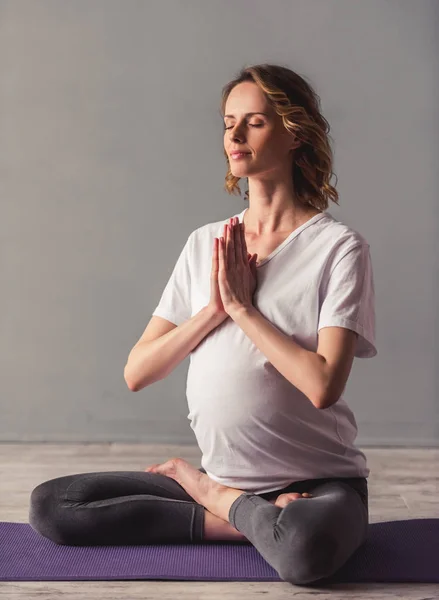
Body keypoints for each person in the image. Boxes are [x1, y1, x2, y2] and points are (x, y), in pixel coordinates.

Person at [29, 64, 376, 586]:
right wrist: (212, 310)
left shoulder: (338, 248)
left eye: (254, 122)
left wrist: (242, 309)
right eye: (227, 122)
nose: (233, 136)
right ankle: (244, 516)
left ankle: (227, 506)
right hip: (227, 478)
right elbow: (137, 371)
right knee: (53, 504)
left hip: (319, 485)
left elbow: (323, 385)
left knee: (306, 550)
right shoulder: (206, 243)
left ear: (295, 133)